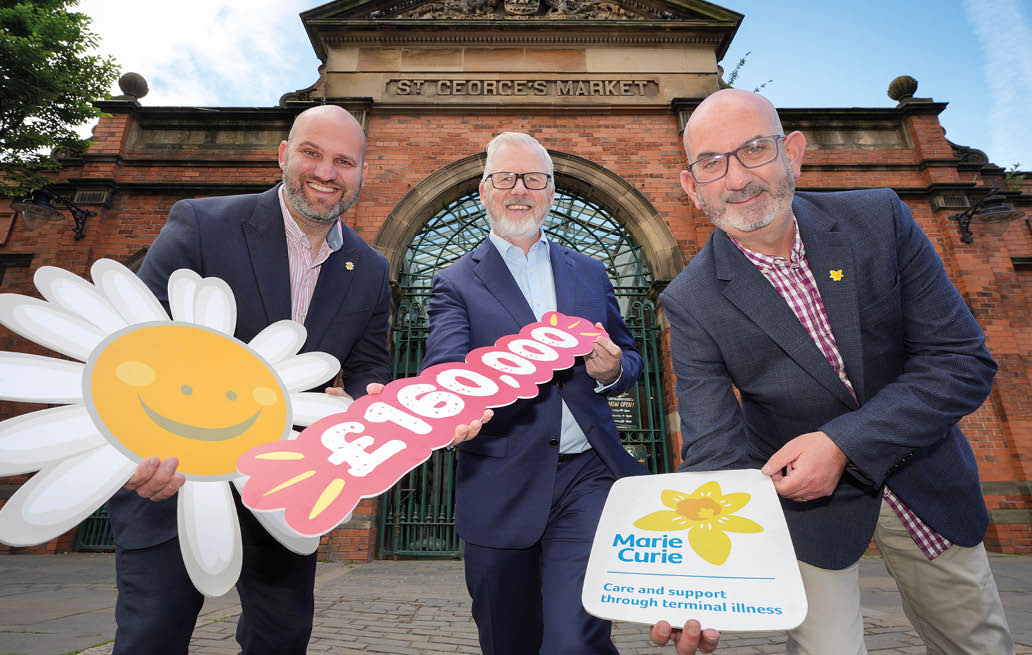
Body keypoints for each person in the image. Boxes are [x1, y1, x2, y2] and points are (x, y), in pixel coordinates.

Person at [110, 105, 486, 655]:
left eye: (344, 161)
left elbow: (366, 368)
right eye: (312, 153)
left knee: (282, 637)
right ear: (284, 154)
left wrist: (361, 401)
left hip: (286, 485)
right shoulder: (203, 223)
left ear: (361, 172)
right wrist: (133, 451)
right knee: (152, 635)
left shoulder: (372, 267)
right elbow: (133, 337)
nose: (327, 173)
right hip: (177, 474)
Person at [655, 88, 1014, 655]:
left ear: (792, 153)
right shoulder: (691, 299)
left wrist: (841, 443)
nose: (737, 178)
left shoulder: (879, 219)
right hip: (806, 511)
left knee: (976, 642)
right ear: (691, 186)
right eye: (711, 162)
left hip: (923, 473)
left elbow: (960, 360)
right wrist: (704, 580)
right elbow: (714, 449)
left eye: (754, 149)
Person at [420, 132, 649, 655]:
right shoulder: (456, 281)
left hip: (587, 476)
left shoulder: (589, 271)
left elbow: (630, 356)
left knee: (575, 637)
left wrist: (613, 370)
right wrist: (456, 404)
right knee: (508, 639)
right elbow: (445, 365)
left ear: (550, 192)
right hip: (499, 481)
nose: (518, 189)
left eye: (534, 180)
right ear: (484, 191)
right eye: (505, 178)